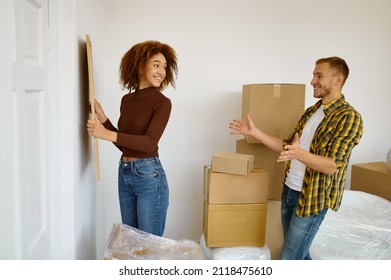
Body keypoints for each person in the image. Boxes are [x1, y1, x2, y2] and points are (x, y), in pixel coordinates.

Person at [229, 56, 363, 259]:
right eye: (313, 75)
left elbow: (332, 166)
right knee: (299, 256)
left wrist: (299, 153)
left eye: (319, 76)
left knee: (289, 257)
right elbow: (288, 146)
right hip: (290, 191)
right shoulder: (312, 111)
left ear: (338, 79)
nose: (312, 81)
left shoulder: (349, 117)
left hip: (311, 199)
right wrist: (255, 133)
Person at [87, 40, 178, 237]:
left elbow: (148, 143)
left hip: (149, 176)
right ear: (139, 66)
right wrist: (104, 120)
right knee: (131, 244)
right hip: (125, 172)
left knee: (149, 247)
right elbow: (126, 146)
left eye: (164, 67)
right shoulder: (126, 100)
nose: (161, 71)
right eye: (156, 65)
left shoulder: (162, 103)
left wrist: (106, 133)